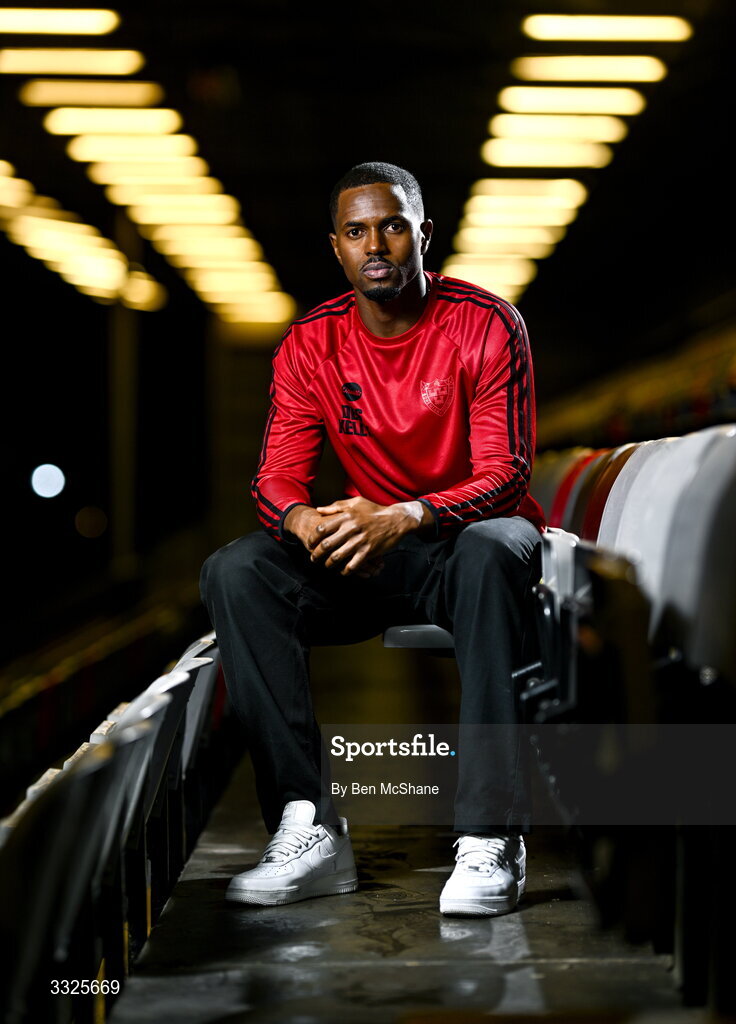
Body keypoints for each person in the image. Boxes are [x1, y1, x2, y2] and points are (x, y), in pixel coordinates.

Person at [200, 161, 545, 916]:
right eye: (356, 231)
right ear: (337, 248)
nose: (375, 243)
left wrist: (407, 514)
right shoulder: (310, 344)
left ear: (423, 234)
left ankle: (491, 835)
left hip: (460, 543)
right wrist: (303, 521)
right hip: (367, 549)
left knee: (493, 547)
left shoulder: (484, 323)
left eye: (391, 225)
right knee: (238, 571)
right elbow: (274, 480)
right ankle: (307, 822)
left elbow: (505, 475)